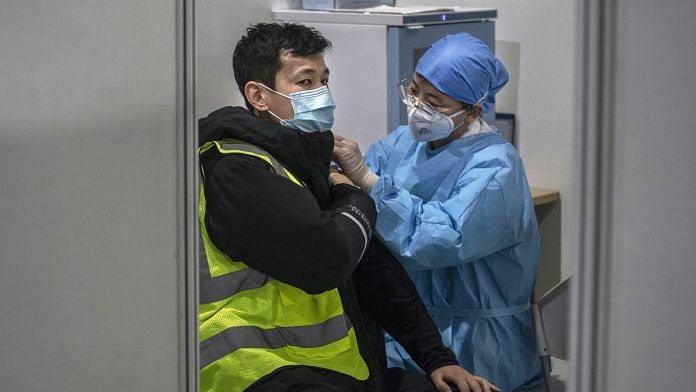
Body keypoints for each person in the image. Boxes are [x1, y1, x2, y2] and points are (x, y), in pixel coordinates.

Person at [198, 23, 497, 392]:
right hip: (259, 367)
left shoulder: (303, 158)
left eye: (324, 80)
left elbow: (373, 267)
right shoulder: (238, 169)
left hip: (332, 365)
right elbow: (332, 256)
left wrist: (436, 357)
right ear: (259, 96)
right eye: (305, 82)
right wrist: (353, 194)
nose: (321, 93)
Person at [333, 32, 542, 391]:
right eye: (414, 91)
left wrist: (369, 181)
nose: (417, 106)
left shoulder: (495, 169)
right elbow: (358, 197)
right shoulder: (404, 142)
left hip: (477, 342)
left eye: (434, 101)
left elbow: (434, 240)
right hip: (410, 334)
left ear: (473, 109)